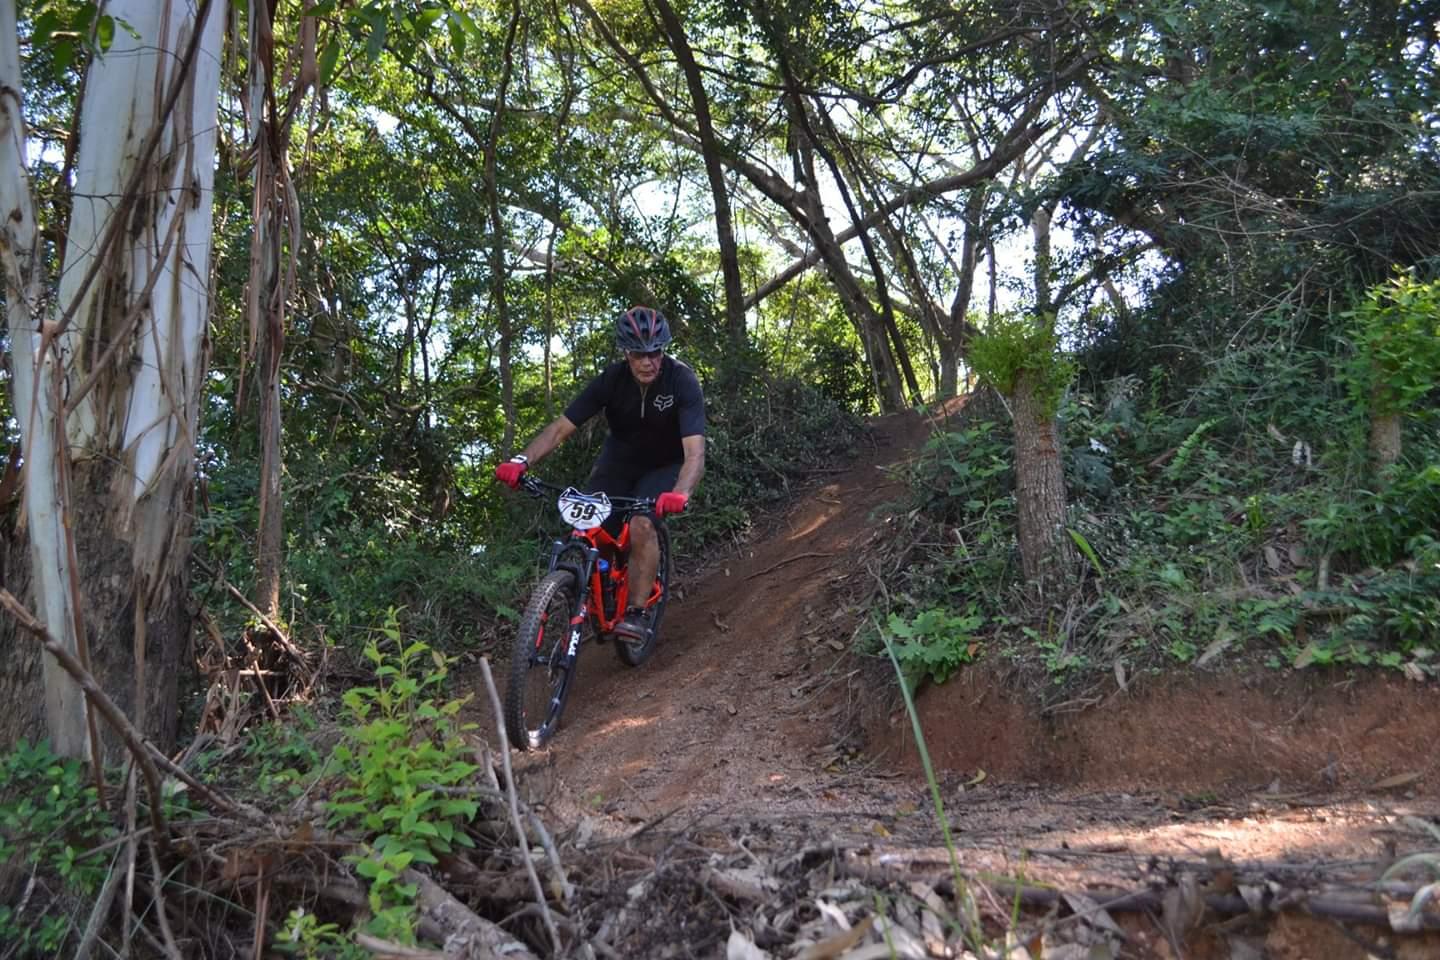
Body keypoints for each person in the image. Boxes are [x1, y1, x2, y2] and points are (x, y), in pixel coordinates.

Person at [494, 305, 705, 645]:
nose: (649, 362)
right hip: (619, 462)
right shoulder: (612, 380)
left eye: (656, 353)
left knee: (641, 523)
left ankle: (636, 613)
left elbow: (695, 452)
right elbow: (560, 429)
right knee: (588, 528)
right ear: (626, 353)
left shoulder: (681, 379)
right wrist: (522, 460)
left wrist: (681, 492)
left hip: (665, 466)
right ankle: (603, 586)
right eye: (640, 354)